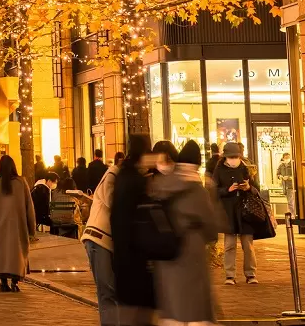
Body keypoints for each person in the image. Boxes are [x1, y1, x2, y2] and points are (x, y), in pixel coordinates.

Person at [149, 141, 220, 326]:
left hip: (165, 250)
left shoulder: (161, 184)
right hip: (191, 251)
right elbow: (211, 226)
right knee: (194, 307)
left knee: (171, 304)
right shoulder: (197, 189)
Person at [110, 135, 156, 323]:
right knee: (141, 312)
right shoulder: (138, 180)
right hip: (136, 255)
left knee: (128, 310)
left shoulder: (122, 175)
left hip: (121, 253)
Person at [82, 141, 121, 325]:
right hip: (99, 238)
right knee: (107, 291)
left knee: (111, 292)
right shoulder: (113, 174)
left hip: (106, 240)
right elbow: (114, 203)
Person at [211, 141, 258, 285]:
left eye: (235, 157)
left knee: (248, 245)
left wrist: (248, 187)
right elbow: (213, 191)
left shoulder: (247, 168)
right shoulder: (219, 170)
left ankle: (251, 274)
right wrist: (227, 190)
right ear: (225, 157)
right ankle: (230, 275)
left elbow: (257, 190)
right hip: (228, 212)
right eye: (230, 157)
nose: (233, 160)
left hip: (245, 211)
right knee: (229, 245)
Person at [0, 154, 36, 292]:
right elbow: (29, 206)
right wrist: (32, 228)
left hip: (0, 226)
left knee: (2, 253)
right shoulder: (21, 182)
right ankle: (15, 282)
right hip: (18, 226)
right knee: (18, 253)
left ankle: (3, 282)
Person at [277, 152, 295, 217]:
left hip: (291, 186)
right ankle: (292, 214)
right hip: (284, 186)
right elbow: (278, 174)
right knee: (289, 202)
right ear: (283, 158)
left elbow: (296, 175)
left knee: (290, 202)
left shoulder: (293, 165)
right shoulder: (281, 166)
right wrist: (280, 176)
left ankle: (293, 215)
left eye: (288, 158)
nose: (287, 159)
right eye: (285, 158)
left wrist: (289, 177)